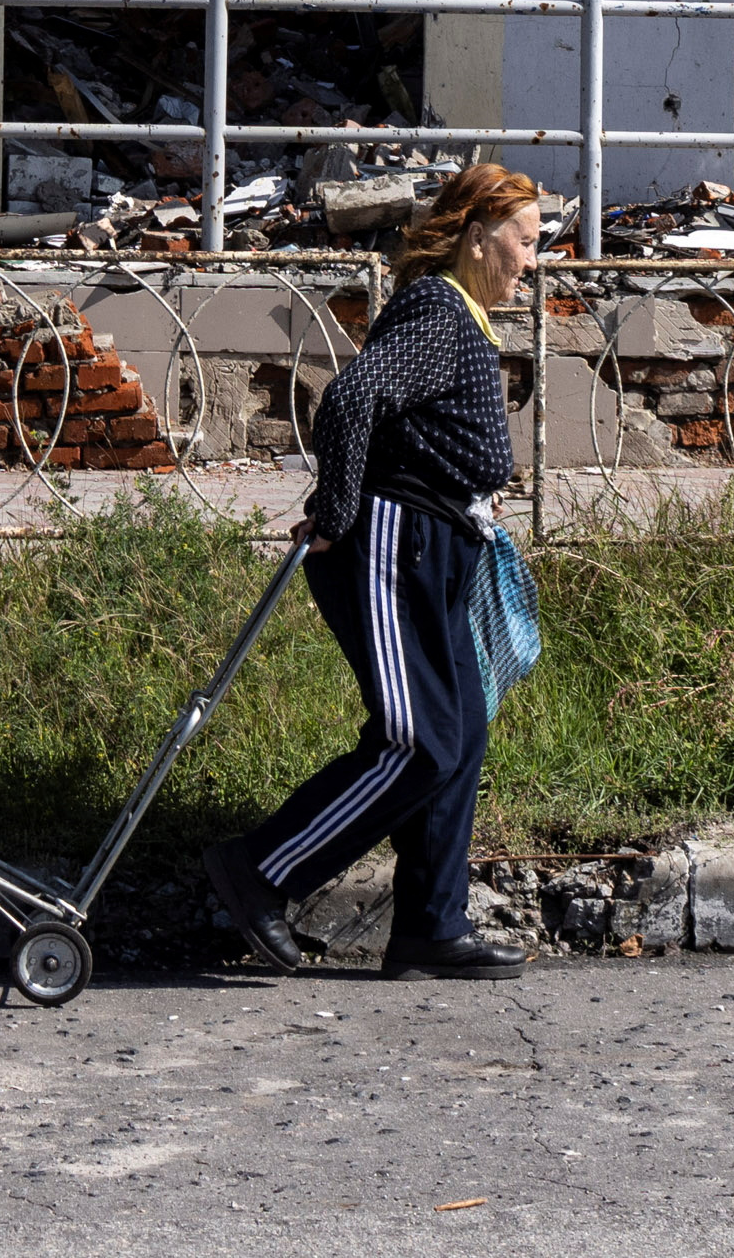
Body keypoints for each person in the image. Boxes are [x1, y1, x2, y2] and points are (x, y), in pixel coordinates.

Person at [200, 161, 549, 979]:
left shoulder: (459, 316)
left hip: (438, 544)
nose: (533, 261)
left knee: (461, 731)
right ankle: (260, 871)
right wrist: (338, 511)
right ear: (478, 236)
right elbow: (353, 400)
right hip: (396, 543)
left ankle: (431, 926)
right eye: (527, 242)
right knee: (419, 740)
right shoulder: (439, 312)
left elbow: (404, 423)